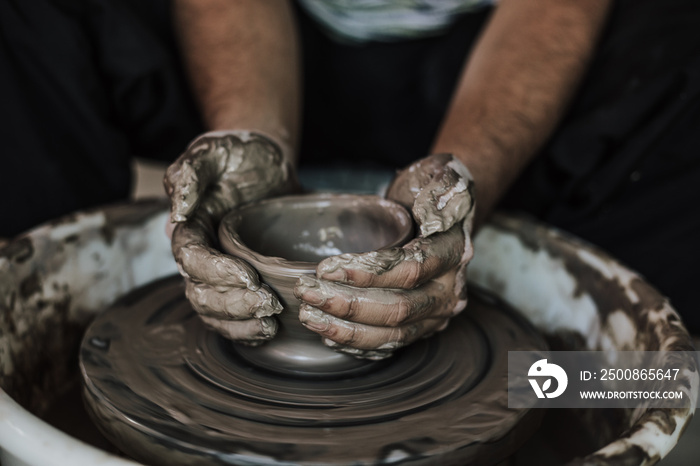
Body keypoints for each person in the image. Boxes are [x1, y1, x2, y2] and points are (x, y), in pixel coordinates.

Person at [2, 0, 700, 354]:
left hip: (496, 57)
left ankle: (566, 394)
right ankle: (62, 356)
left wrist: (461, 176)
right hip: (270, 48)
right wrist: (252, 136)